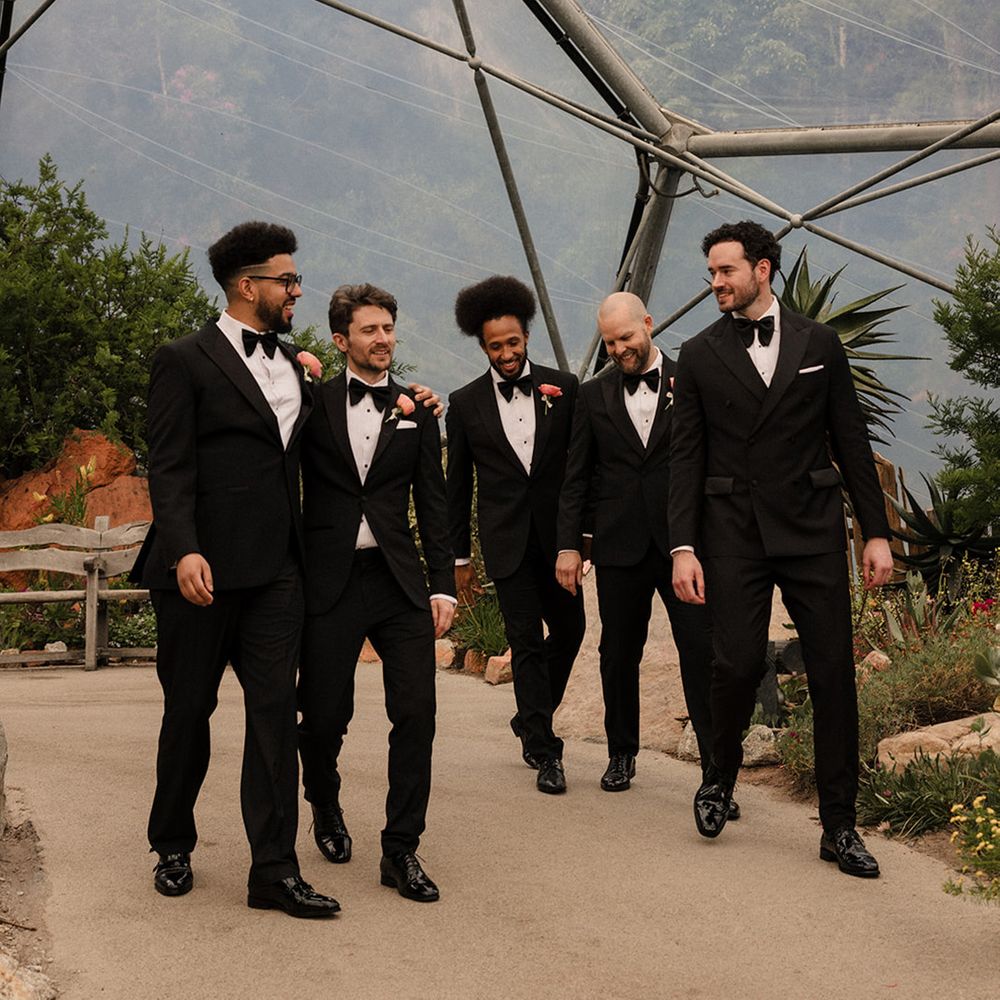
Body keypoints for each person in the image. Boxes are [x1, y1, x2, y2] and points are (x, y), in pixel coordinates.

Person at [670, 220, 893, 877]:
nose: (715, 283)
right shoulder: (700, 353)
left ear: (762, 269)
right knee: (736, 664)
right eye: (710, 272)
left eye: (725, 271)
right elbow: (686, 460)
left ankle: (839, 827)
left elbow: (850, 439)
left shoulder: (819, 342)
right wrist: (684, 547)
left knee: (831, 676)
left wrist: (874, 533)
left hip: (811, 528)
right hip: (733, 533)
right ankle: (720, 773)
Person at [134, 221, 340, 917]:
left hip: (278, 572)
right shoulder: (183, 359)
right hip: (200, 573)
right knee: (190, 711)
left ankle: (273, 872)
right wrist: (184, 546)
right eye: (287, 279)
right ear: (247, 286)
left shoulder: (294, 366)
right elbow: (168, 465)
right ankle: (172, 842)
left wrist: (411, 405)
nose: (297, 290)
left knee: (276, 715)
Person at [297, 283, 455, 903]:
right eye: (369, 330)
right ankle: (324, 804)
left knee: (417, 713)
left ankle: (401, 850)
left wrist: (442, 585)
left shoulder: (418, 411)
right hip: (329, 580)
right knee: (325, 716)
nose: (383, 339)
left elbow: (435, 506)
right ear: (341, 340)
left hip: (399, 581)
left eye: (388, 328)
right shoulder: (312, 406)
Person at [556, 292, 721, 801]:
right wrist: (569, 545)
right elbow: (576, 477)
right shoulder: (591, 397)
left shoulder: (691, 382)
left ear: (648, 324)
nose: (619, 349)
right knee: (617, 652)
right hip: (619, 545)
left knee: (700, 652)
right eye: (610, 342)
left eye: (626, 337)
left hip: (684, 546)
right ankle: (620, 754)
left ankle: (718, 774)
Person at [446, 276, 585, 794]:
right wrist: (459, 558)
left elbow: (580, 472)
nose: (506, 353)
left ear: (527, 336)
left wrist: (581, 540)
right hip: (505, 545)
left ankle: (530, 716)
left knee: (570, 632)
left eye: (513, 342)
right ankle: (546, 751)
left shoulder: (564, 388)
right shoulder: (463, 404)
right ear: (482, 346)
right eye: (495, 346)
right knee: (525, 642)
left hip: (559, 544)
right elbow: (456, 488)